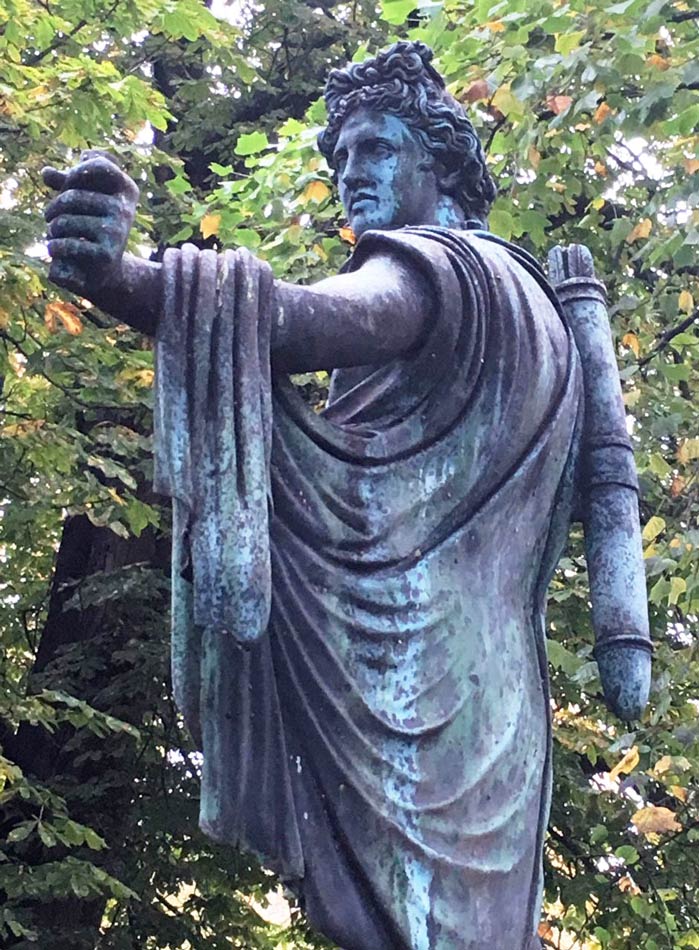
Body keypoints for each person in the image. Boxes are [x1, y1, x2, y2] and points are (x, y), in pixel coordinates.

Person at [44, 40, 585, 950]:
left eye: (373, 148)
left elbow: (317, 323)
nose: (348, 174)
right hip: (495, 706)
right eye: (338, 158)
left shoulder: (445, 269)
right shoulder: (546, 316)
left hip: (418, 692)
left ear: (439, 159)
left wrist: (122, 278)